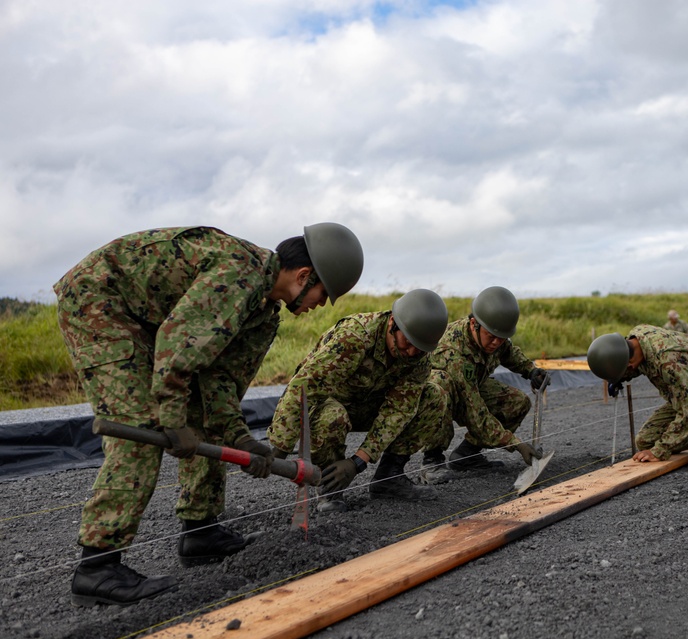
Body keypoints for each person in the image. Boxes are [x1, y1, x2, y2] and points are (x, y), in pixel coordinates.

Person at [54, 223, 364, 607]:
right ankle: (97, 567)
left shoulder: (263, 314)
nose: (321, 304)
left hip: (149, 320)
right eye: (323, 294)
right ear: (303, 276)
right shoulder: (240, 275)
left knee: (202, 419)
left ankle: (201, 532)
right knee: (140, 428)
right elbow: (177, 342)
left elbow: (219, 380)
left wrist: (240, 437)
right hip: (101, 304)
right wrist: (171, 419)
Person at [267, 289, 449, 510]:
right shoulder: (355, 337)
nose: (411, 353)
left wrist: (358, 462)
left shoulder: (419, 357)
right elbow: (304, 388)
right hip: (330, 407)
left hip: (369, 408)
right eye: (407, 343)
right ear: (393, 323)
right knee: (332, 416)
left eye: (418, 349)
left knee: (434, 396)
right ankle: (330, 488)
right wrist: (279, 448)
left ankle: (389, 478)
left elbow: (399, 410)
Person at [418, 286, 549, 482]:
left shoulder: (495, 335)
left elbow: (509, 353)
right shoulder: (452, 352)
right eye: (492, 336)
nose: (496, 342)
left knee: (517, 402)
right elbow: (475, 412)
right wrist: (515, 444)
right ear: (474, 324)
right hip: (439, 396)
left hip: (471, 385)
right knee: (440, 385)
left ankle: (466, 455)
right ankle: (432, 460)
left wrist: (530, 370)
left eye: (501, 338)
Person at [587, 326, 688, 469]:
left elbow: (687, 412)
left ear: (628, 364)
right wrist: (619, 378)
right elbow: (638, 364)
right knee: (645, 442)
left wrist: (660, 451)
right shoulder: (636, 339)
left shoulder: (668, 361)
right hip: (687, 392)